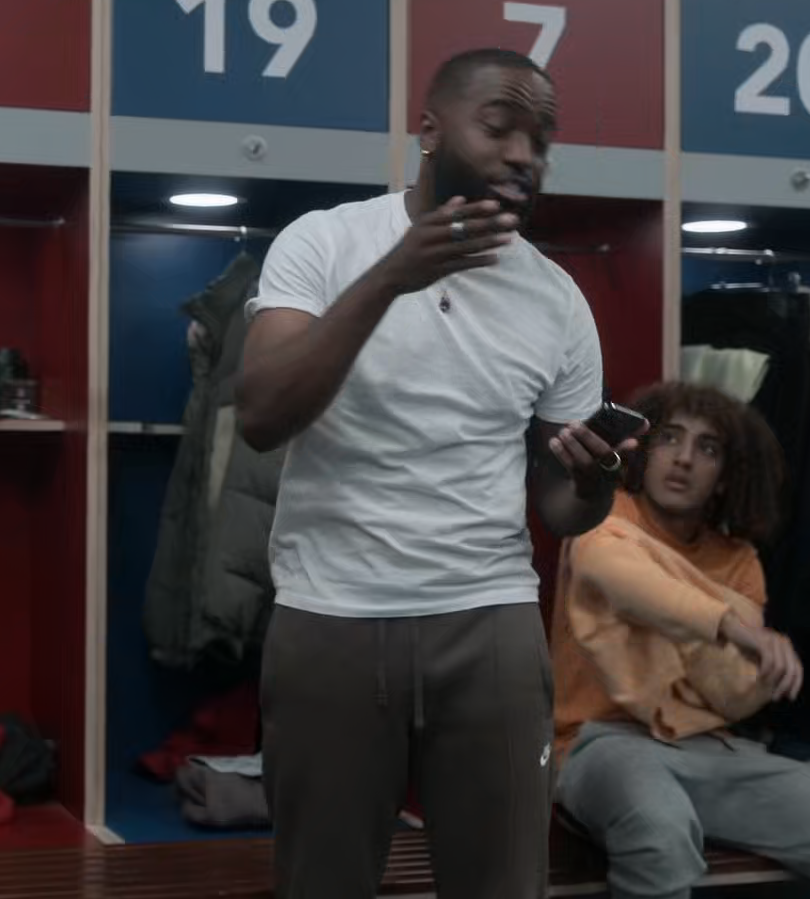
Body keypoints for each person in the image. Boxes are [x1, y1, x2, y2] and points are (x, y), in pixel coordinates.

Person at [236, 47, 639, 899]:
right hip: (333, 619)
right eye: (500, 127)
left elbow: (561, 510)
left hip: (488, 619)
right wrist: (393, 276)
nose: (523, 154)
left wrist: (593, 481)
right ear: (428, 129)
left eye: (540, 139)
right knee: (322, 883)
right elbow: (263, 415)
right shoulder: (325, 242)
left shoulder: (557, 297)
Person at [550, 381, 810, 899]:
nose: (684, 459)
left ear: (726, 475)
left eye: (707, 448)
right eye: (669, 438)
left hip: (711, 747)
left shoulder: (739, 560)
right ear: (643, 452)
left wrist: (698, 622)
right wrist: (732, 625)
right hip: (596, 743)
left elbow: (737, 692)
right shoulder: (605, 517)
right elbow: (614, 570)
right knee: (660, 834)